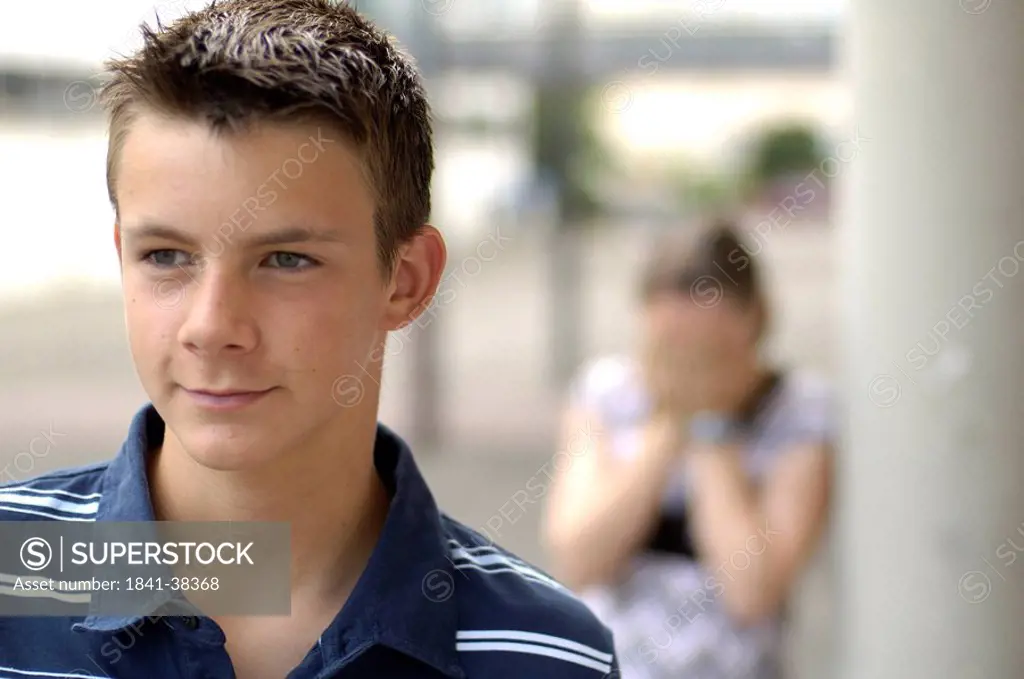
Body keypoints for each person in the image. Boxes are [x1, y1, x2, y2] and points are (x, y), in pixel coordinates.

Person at [0, 2, 618, 677]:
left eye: (286, 260)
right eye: (166, 255)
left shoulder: (548, 652)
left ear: (406, 280)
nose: (211, 326)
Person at [541, 219, 834, 679]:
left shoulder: (801, 411)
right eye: (669, 348)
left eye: (704, 351)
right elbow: (580, 560)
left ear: (754, 322)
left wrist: (711, 430)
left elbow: (752, 591)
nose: (685, 366)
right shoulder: (606, 394)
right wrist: (667, 427)